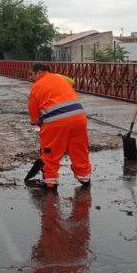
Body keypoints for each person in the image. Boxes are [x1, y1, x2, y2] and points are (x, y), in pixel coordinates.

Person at [28, 63, 92, 191]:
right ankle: (84, 177)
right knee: (78, 148)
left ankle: (50, 182)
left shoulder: (37, 86)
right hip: (79, 118)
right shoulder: (60, 79)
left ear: (40, 72)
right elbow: (71, 82)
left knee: (50, 151)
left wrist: (36, 122)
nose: (30, 78)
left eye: (31, 74)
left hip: (56, 122)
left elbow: (33, 108)